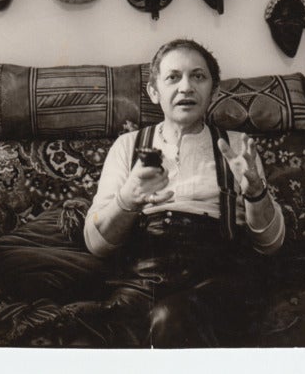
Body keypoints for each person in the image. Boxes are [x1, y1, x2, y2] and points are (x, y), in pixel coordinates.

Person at [83, 38, 285, 347]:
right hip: (142, 275)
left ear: (213, 90)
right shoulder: (127, 146)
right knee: (88, 331)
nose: (187, 87)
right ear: (154, 92)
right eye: (173, 77)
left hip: (216, 276)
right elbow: (97, 244)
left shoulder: (238, 146)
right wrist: (128, 199)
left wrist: (256, 192)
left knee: (171, 318)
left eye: (198, 76)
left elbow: (271, 245)